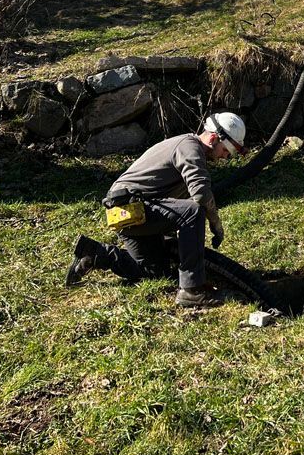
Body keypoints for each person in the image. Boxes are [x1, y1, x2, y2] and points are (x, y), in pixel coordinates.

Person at [65, 112, 246, 309]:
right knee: (193, 212)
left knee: (153, 271)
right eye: (226, 151)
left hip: (126, 212)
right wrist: (216, 225)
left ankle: (94, 254)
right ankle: (192, 290)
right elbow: (201, 195)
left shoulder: (185, 147)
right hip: (131, 206)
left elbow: (173, 201)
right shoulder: (189, 147)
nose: (225, 157)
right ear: (213, 138)